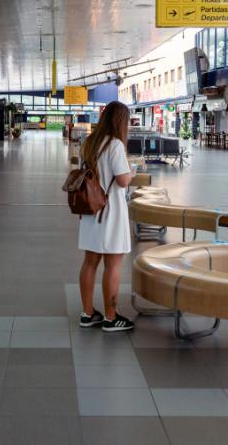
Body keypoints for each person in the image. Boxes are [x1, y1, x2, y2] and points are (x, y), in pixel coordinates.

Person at [77, 100, 135, 332]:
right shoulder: (115, 145)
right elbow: (122, 180)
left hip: (91, 209)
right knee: (113, 264)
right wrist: (131, 173)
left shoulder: (91, 142)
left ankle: (88, 313)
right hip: (110, 211)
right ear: (121, 121)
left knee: (90, 262)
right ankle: (111, 317)